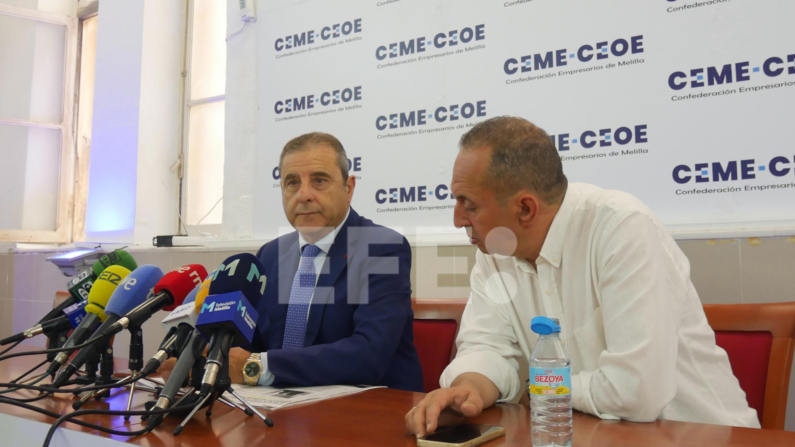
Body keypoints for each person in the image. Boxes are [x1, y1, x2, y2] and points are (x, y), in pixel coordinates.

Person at [405, 116, 760, 436]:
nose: (457, 219)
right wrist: (469, 387)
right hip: (584, 434)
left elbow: (635, 392)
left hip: (698, 435)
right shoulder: (497, 248)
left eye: (469, 204)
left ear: (525, 208)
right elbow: (488, 347)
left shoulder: (620, 227)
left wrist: (533, 389)